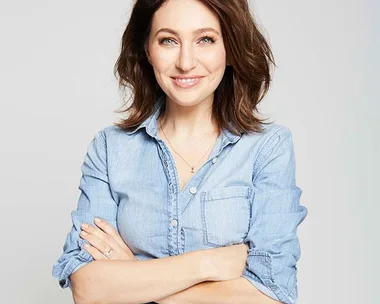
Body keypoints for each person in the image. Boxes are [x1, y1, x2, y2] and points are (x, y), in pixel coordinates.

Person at [52, 0, 308, 303]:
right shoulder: (111, 149)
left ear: (230, 49)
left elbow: (273, 294)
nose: (186, 62)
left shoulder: (267, 148)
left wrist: (133, 276)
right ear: (147, 49)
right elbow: (88, 289)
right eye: (168, 40)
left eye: (206, 39)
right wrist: (208, 264)